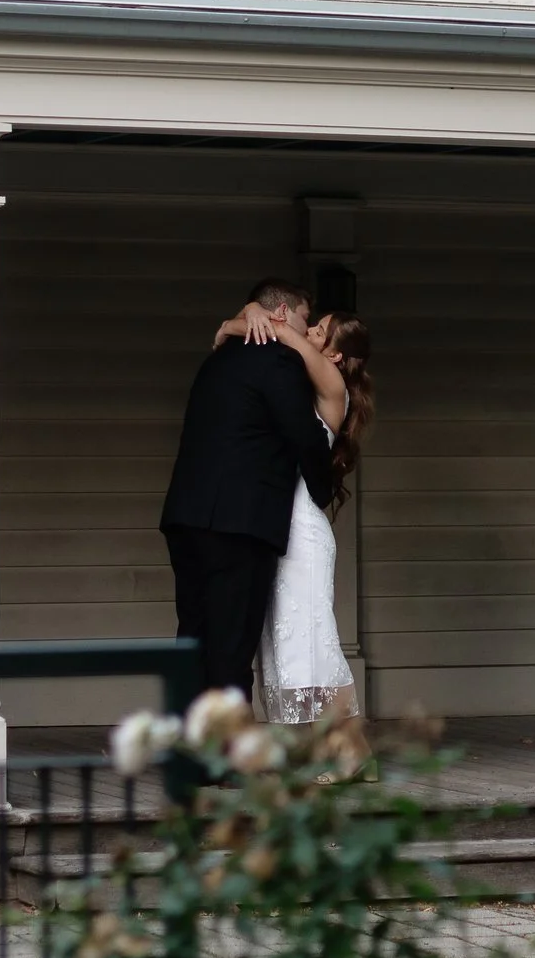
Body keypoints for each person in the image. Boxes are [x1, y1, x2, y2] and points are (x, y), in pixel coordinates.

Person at [157, 278, 334, 697]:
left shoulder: (218, 358)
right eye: (304, 317)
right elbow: (304, 434)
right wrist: (323, 490)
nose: (305, 327)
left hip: (186, 515)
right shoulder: (278, 360)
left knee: (194, 639)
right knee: (232, 650)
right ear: (283, 313)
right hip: (239, 524)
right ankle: (228, 738)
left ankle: (190, 732)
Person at [215, 302, 373, 726]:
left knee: (314, 646)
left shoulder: (331, 382)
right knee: (284, 651)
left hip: (304, 535)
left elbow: (282, 333)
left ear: (335, 354)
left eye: (320, 330)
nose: (311, 332)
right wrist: (246, 316)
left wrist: (242, 316)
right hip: (279, 531)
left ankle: (351, 746)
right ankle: (307, 746)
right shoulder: (300, 382)